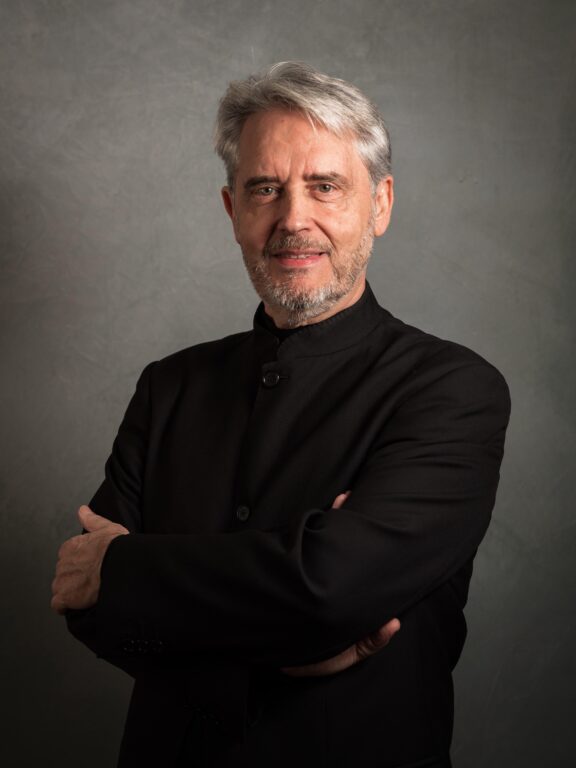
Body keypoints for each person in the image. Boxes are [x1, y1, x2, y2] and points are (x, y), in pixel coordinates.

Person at [51, 62, 510, 768]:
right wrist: (282, 626)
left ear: (380, 204)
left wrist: (124, 566)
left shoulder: (452, 389)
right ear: (232, 210)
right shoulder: (169, 386)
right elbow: (88, 609)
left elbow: (328, 587)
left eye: (325, 186)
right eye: (265, 188)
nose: (294, 219)